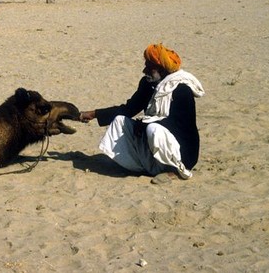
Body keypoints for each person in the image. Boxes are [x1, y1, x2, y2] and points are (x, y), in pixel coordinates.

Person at [80, 43, 204, 183]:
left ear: (161, 69)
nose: (144, 70)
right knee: (120, 121)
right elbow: (129, 109)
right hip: (153, 133)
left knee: (153, 129)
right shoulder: (148, 84)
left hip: (183, 149)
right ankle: (142, 166)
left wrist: (145, 123)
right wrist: (94, 114)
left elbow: (177, 125)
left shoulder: (181, 89)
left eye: (149, 67)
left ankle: (174, 171)